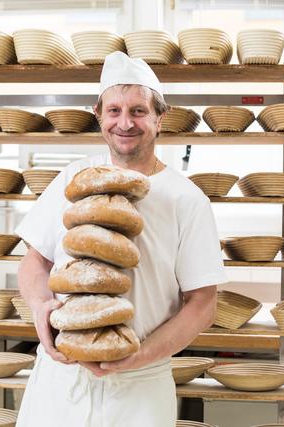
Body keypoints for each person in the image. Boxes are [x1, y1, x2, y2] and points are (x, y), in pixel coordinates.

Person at [14, 51, 227, 427]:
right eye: (114, 111)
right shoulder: (73, 179)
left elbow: (202, 304)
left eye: (139, 111)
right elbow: (35, 261)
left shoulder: (186, 199)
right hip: (61, 382)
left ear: (161, 117)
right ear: (99, 115)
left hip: (139, 388)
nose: (124, 123)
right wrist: (40, 305)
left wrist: (138, 357)